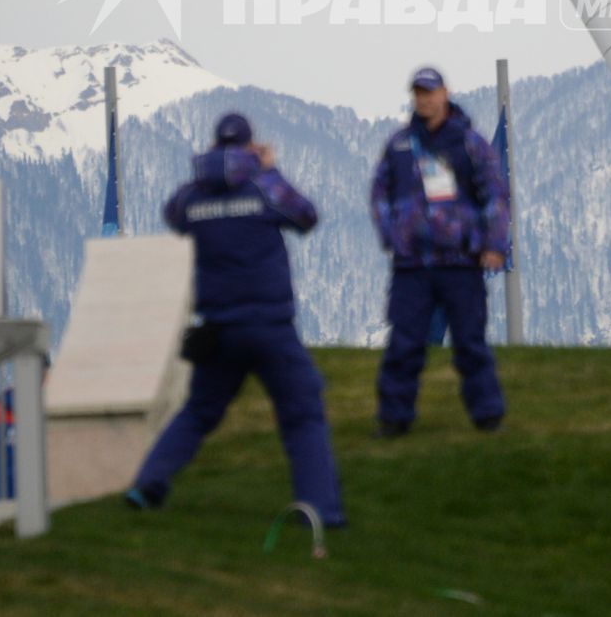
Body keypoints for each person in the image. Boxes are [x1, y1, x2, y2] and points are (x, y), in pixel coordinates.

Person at [124, 113, 345, 527]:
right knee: (302, 415)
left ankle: (149, 483)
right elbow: (306, 216)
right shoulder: (263, 185)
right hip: (269, 326)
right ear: (249, 145)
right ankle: (322, 510)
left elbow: (172, 215)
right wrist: (270, 167)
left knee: (198, 412)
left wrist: (207, 177)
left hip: (219, 328)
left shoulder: (192, 197)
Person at [370, 67, 509, 437]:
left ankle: (488, 416)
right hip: (412, 264)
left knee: (469, 343)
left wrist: (494, 244)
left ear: (444, 93)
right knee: (404, 343)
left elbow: (494, 193)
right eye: (418, 92)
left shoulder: (468, 143)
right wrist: (392, 236)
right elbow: (379, 194)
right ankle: (394, 418)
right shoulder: (399, 145)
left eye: (430, 92)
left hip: (461, 261)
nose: (424, 99)